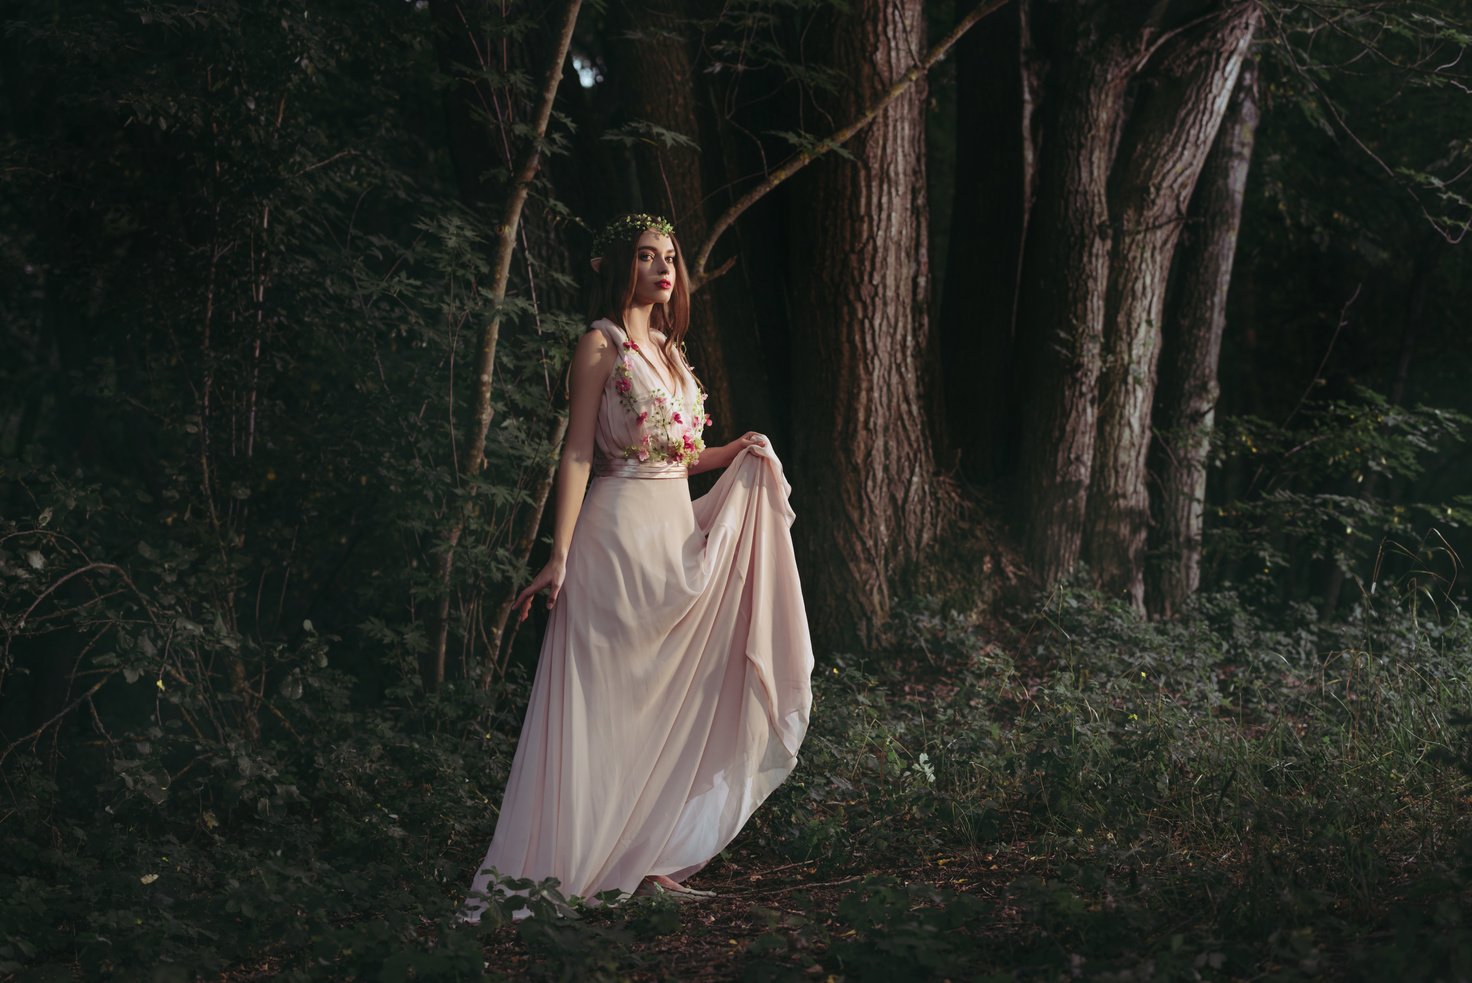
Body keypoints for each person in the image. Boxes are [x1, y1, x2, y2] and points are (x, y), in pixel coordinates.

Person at [460, 213, 813, 921]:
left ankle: (642, 852)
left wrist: (737, 448)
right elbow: (580, 452)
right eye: (648, 256)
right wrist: (558, 554)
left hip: (671, 536)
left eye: (671, 258)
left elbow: (679, 458)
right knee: (609, 705)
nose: (663, 269)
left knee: (663, 702)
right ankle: (575, 863)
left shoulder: (670, 351)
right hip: (616, 539)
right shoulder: (603, 344)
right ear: (624, 263)